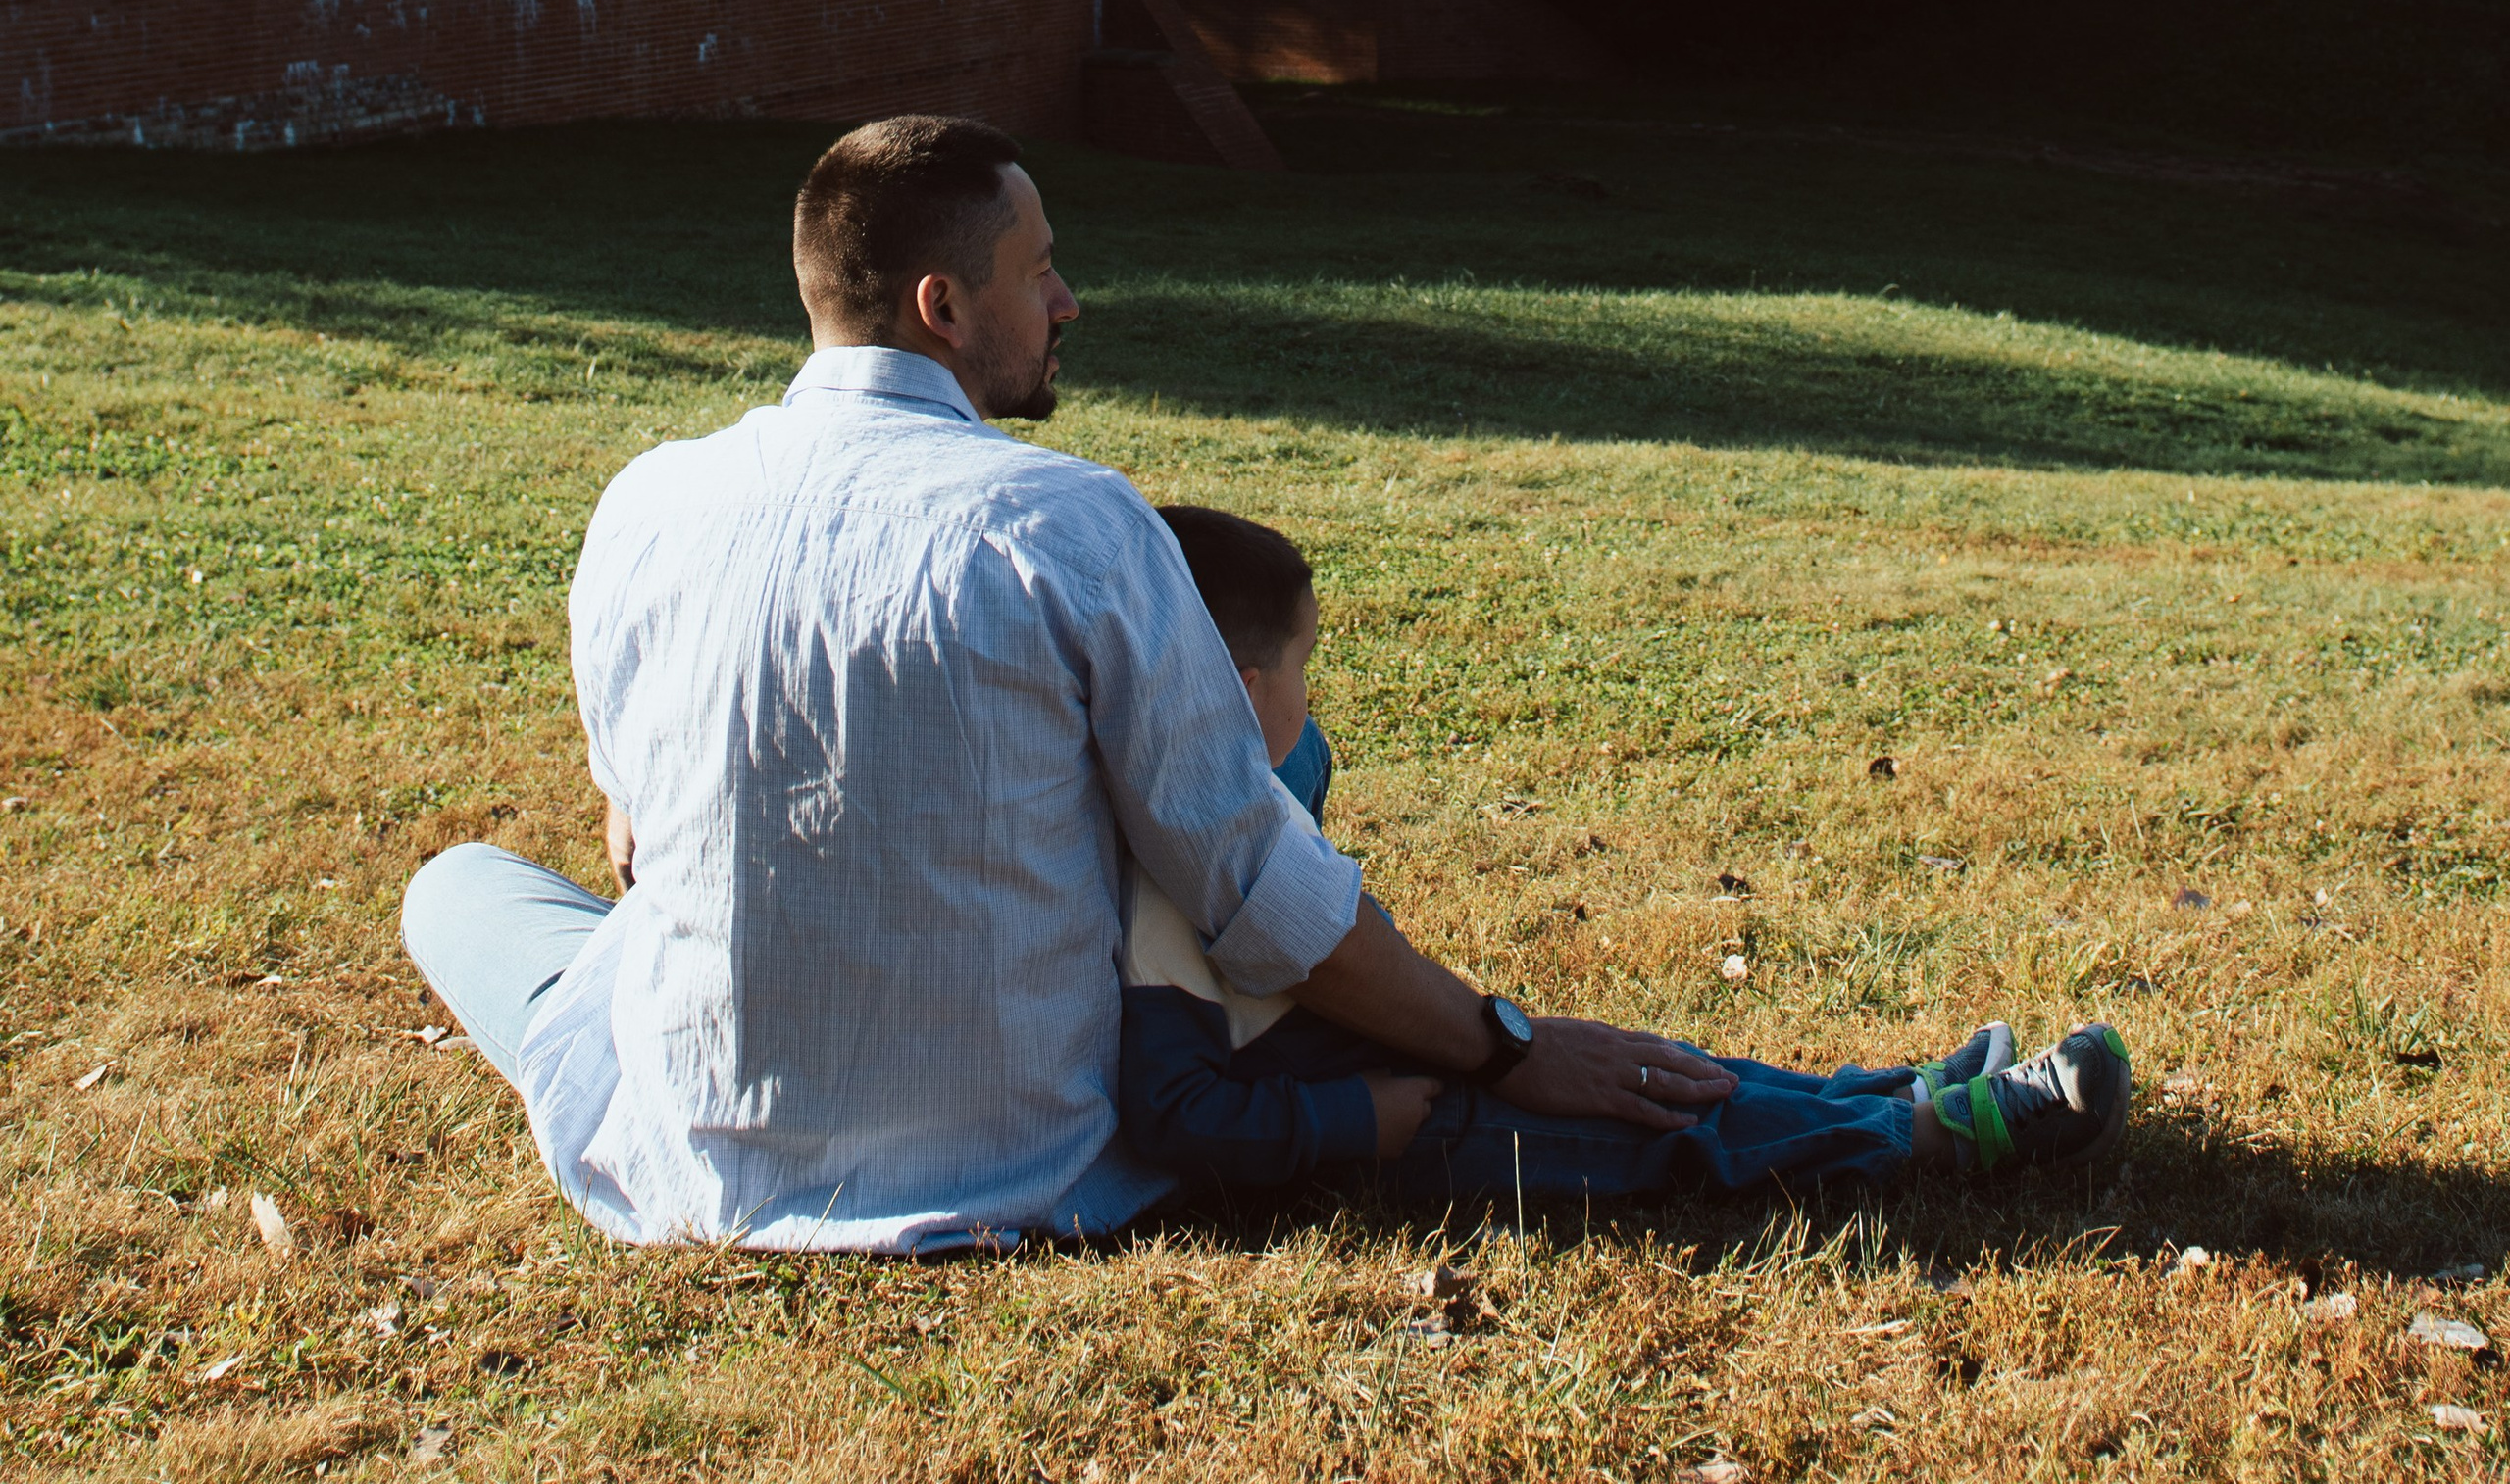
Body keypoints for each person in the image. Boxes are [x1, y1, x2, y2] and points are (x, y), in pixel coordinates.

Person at [399, 115, 1748, 1252]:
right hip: (1013, 1168)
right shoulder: (1068, 524)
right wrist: (1504, 1046)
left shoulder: (647, 504)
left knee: (456, 887)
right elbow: (1252, 889)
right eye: (1038, 272)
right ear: (943, 306)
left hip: (697, 1156)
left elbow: (635, 844)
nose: (1065, 301)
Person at [1120, 504, 2134, 1207]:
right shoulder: (1161, 904)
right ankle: (1951, 1134)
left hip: (1411, 1059)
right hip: (1400, 1127)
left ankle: (1884, 1093)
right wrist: (1358, 1123)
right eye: (1305, 668)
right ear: (1247, 697)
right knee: (1665, 1135)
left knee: (1655, 1072)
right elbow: (1176, 1114)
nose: (1315, 700)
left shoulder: (1229, 801)